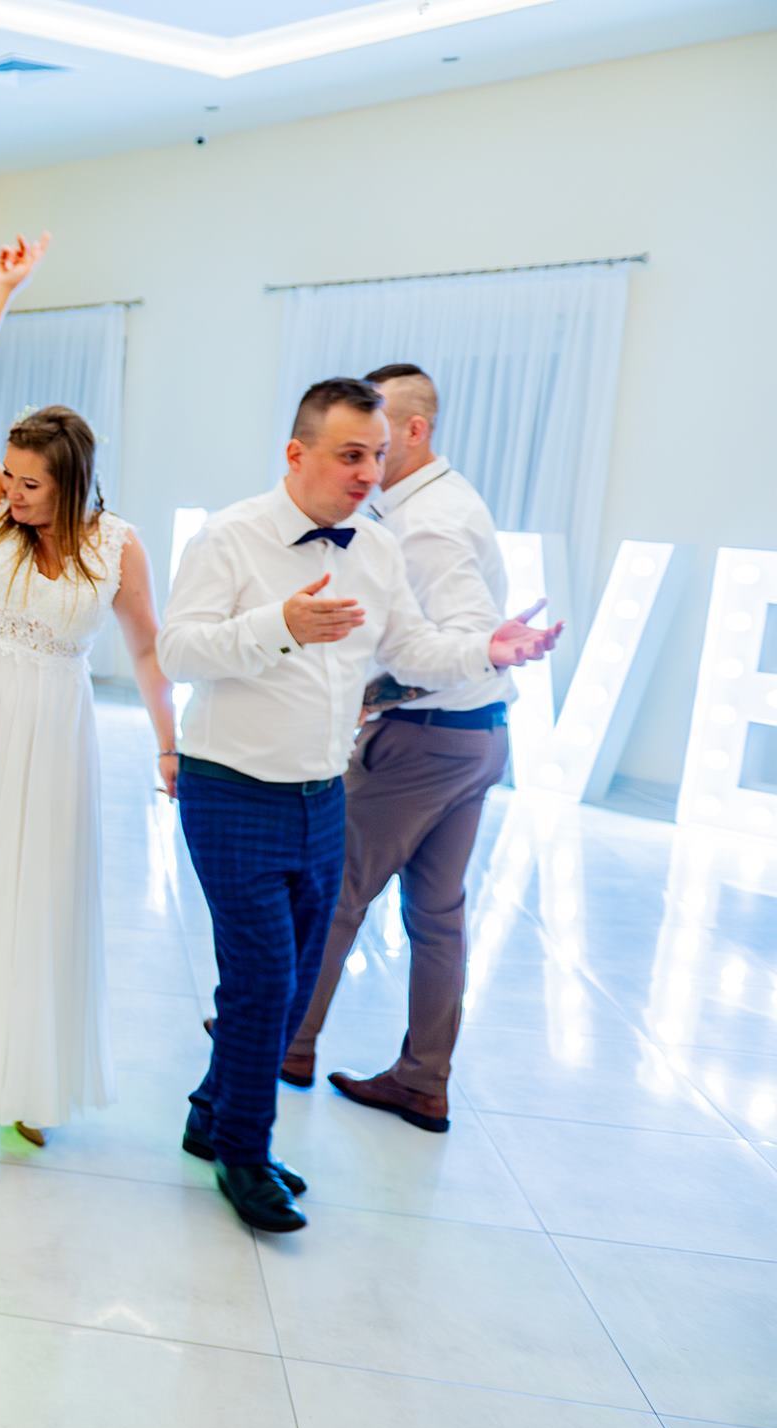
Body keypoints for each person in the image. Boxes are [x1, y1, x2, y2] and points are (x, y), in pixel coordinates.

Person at [159, 375, 560, 1233]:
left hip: (322, 793)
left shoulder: (377, 547)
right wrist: (279, 625)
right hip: (230, 787)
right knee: (266, 980)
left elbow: (411, 648)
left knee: (293, 981)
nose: (369, 473)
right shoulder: (230, 536)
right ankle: (244, 1151)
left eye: (377, 455)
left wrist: (485, 649)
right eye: (351, 455)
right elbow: (179, 651)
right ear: (296, 453)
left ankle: (210, 1113)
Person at [0, 232, 178, 1154]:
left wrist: (169, 743)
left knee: (34, 900)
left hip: (53, 735)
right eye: (8, 476)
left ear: (72, 482)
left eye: (30, 483)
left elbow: (148, 649)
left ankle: (19, 1067)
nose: (11, 491)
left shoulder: (117, 547)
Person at [284, 365, 513, 1131]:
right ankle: (423, 1081)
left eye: (378, 436)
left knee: (332, 890)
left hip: (423, 745)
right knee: (438, 916)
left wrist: (369, 696)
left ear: (414, 430)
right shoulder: (443, 501)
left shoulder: (426, 523)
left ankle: (286, 1041)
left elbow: (460, 647)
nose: (368, 451)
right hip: (478, 740)